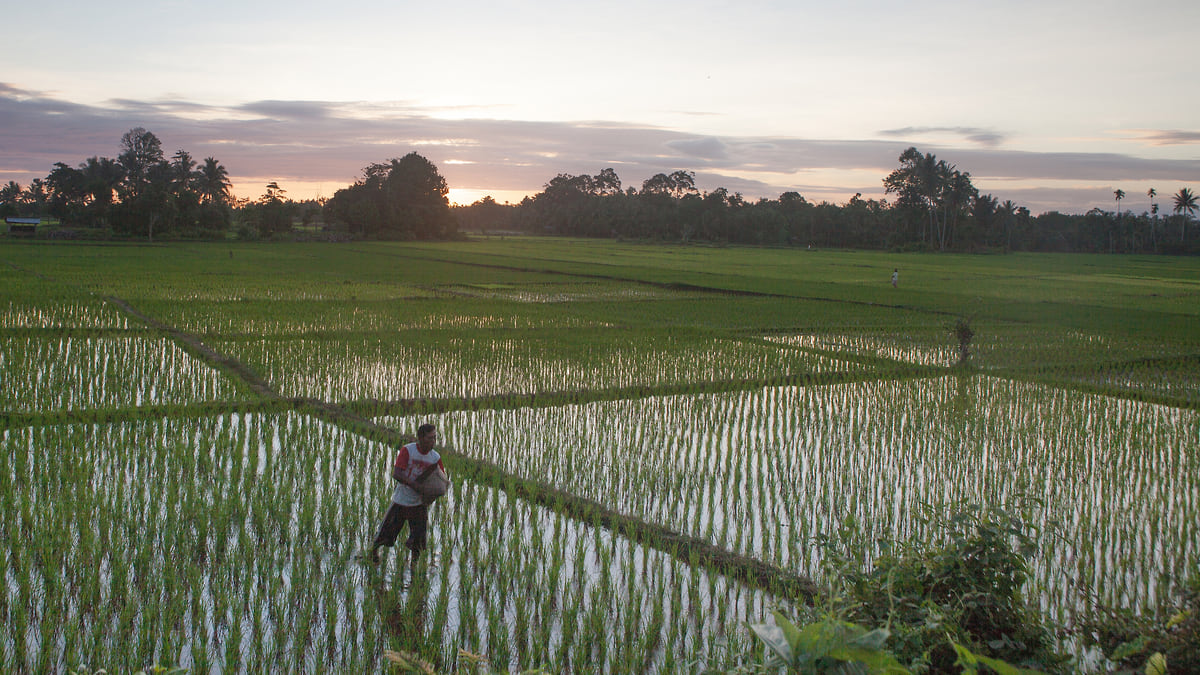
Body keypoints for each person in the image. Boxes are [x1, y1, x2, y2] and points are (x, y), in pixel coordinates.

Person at [369, 423, 446, 571]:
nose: (433, 442)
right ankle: (373, 554)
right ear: (420, 438)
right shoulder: (408, 451)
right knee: (386, 532)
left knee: (419, 539)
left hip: (419, 504)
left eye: (435, 438)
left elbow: (441, 480)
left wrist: (432, 495)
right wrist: (416, 487)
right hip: (402, 501)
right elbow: (397, 473)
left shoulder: (435, 458)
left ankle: (414, 566)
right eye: (430, 438)